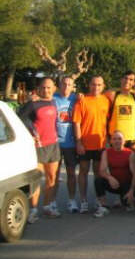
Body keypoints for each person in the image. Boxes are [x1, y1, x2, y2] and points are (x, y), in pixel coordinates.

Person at [19, 77, 61, 222]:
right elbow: (19, 119)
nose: (46, 90)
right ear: (38, 89)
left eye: (49, 87)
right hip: (38, 147)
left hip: (53, 145)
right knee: (36, 180)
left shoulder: (54, 101)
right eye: (43, 87)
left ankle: (47, 206)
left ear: (54, 88)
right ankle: (34, 210)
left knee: (51, 178)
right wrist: (30, 135)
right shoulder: (33, 104)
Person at [72, 75, 111, 214]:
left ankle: (98, 199)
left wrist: (107, 141)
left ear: (103, 86)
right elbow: (76, 123)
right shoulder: (82, 101)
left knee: (98, 173)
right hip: (85, 144)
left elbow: (106, 122)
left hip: (100, 144)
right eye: (94, 84)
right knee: (83, 171)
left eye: (99, 85)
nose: (96, 87)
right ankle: (83, 200)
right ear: (89, 85)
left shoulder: (106, 101)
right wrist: (79, 142)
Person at [93, 131, 135, 217]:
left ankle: (131, 199)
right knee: (98, 180)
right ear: (111, 141)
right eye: (114, 139)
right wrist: (109, 178)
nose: (117, 141)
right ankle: (103, 206)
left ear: (124, 141)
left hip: (127, 184)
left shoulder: (130, 153)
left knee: (127, 204)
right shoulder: (106, 153)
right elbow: (102, 171)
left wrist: (132, 190)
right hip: (114, 183)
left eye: (120, 139)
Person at [53, 75, 79, 213]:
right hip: (55, 143)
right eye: (64, 84)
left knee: (71, 173)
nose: (66, 87)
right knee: (54, 175)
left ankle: (71, 200)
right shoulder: (53, 98)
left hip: (70, 143)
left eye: (69, 84)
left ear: (73, 86)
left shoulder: (76, 98)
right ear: (59, 85)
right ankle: (52, 201)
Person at [105, 70, 135, 150]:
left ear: (134, 83)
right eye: (125, 78)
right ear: (121, 79)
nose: (127, 81)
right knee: (114, 162)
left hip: (131, 138)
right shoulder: (113, 94)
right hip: (115, 138)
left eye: (131, 80)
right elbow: (97, 94)